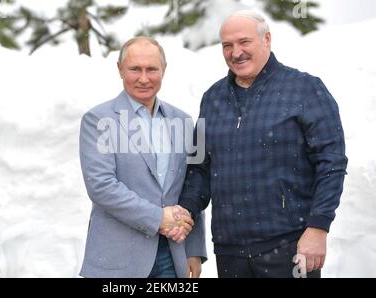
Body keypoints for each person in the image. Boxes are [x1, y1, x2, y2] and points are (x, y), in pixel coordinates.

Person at [178, 10, 348, 278]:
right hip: (230, 251)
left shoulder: (305, 89)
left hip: (289, 245)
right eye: (227, 45)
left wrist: (318, 227)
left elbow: (332, 164)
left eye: (244, 42)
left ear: (267, 39)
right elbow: (199, 167)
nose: (236, 52)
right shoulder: (211, 98)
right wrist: (184, 209)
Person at [79, 36, 207, 278]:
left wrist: (194, 250)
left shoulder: (183, 121)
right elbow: (101, 186)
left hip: (172, 256)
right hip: (118, 260)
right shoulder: (98, 120)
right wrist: (159, 218)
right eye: (135, 69)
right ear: (119, 69)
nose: (143, 78)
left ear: (164, 70)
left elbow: (193, 184)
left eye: (151, 69)